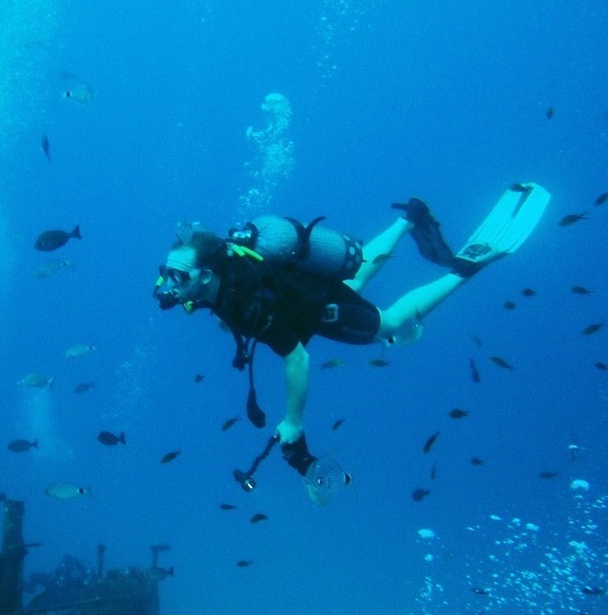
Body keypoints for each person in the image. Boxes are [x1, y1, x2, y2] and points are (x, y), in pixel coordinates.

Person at [154, 183, 550, 484]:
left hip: (316, 307)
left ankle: (465, 268)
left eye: (177, 276)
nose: (168, 283)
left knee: (389, 324)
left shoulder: (247, 304)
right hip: (307, 289)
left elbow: (297, 360)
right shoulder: (217, 273)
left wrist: (292, 422)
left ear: (206, 275)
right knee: (354, 277)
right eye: (166, 272)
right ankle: (410, 217)